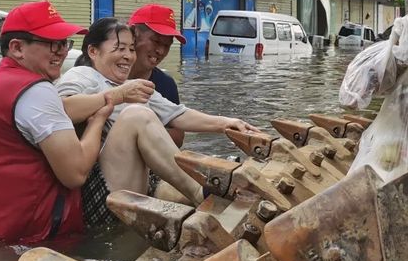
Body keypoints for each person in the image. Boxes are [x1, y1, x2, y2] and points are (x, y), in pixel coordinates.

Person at [0, 1, 112, 243]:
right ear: (17, 48)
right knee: (131, 125)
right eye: (53, 44)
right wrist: (98, 120)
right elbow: (76, 174)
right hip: (38, 233)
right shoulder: (37, 89)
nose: (62, 52)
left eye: (64, 43)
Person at [56, 17, 259, 209]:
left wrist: (227, 124)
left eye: (131, 49)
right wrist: (118, 95)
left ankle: (214, 190)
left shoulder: (133, 85)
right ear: (93, 51)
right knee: (137, 115)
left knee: (192, 189)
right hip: (97, 194)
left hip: (136, 180)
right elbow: (62, 110)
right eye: (120, 48)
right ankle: (199, 191)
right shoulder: (82, 74)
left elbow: (178, 114)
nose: (128, 56)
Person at [127, 4, 185, 147]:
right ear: (133, 34)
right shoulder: (101, 73)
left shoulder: (166, 84)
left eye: (167, 45)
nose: (161, 51)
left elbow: (178, 137)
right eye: (156, 41)